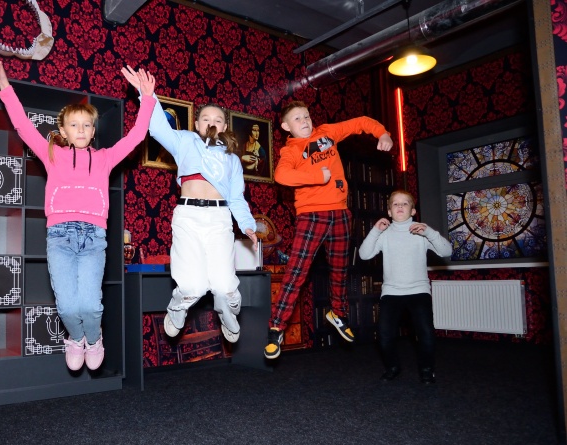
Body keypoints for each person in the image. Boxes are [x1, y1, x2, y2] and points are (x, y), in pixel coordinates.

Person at [0, 59, 156, 371]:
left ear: (93, 131)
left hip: (94, 238)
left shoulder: (105, 158)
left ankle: (95, 339)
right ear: (63, 131)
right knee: (66, 307)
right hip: (60, 237)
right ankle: (76, 338)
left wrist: (147, 99)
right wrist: (4, 85)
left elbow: (135, 137)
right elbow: (23, 125)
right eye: (74, 125)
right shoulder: (52, 154)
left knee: (90, 306)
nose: (81, 130)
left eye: (87, 125)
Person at [125, 68, 258, 343]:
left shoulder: (232, 159)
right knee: (192, 286)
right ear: (197, 124)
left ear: (224, 127)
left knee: (224, 286)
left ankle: (229, 314)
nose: (212, 122)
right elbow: (158, 128)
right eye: (206, 118)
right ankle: (177, 308)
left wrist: (247, 225)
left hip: (219, 219)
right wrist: (147, 96)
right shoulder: (185, 141)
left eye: (218, 120)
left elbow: (236, 198)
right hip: (188, 216)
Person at [264, 100, 393, 360]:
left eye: (306, 116)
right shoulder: (291, 150)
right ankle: (276, 328)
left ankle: (338, 313)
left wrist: (382, 133)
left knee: (339, 269)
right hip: (311, 215)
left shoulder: (327, 133)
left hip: (340, 213)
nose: (304, 121)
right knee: (297, 271)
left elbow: (360, 123)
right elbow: (281, 176)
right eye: (297, 118)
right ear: (286, 126)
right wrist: (317, 177)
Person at [358, 190, 452, 384]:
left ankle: (427, 370)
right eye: (395, 204)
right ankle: (393, 367)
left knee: (426, 334)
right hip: (391, 293)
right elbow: (364, 254)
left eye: (405, 203)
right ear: (389, 212)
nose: (400, 206)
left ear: (413, 210)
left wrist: (429, 232)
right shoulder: (384, 235)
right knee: (384, 336)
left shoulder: (421, 232)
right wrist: (375, 230)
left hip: (419, 291)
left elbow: (446, 251)